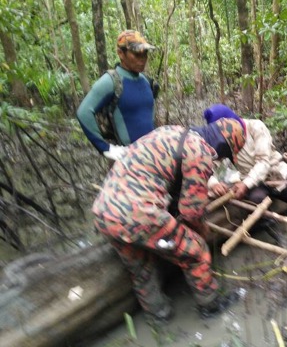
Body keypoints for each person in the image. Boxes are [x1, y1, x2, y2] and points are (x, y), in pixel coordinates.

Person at [92, 118, 246, 323]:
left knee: (141, 266)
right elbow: (191, 213)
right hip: (137, 214)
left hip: (104, 212)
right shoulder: (200, 152)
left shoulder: (173, 131)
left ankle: (158, 316)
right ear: (224, 144)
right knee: (196, 251)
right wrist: (202, 232)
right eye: (226, 154)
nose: (222, 158)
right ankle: (210, 304)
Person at [203, 104, 287, 245]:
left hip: (274, 170)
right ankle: (278, 236)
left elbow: (263, 162)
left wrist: (246, 184)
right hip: (249, 179)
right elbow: (206, 167)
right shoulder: (222, 140)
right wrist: (213, 183)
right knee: (256, 201)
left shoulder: (255, 127)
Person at [77, 30, 157, 161]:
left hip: (153, 155)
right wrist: (105, 148)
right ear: (121, 53)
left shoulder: (145, 80)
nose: (143, 59)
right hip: (128, 159)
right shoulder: (111, 81)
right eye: (137, 54)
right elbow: (84, 112)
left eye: (145, 53)